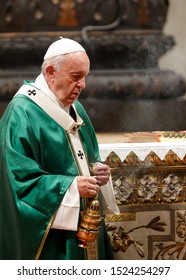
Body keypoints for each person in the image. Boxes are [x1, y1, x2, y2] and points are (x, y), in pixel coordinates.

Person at [0, 37, 119, 260]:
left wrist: (98, 171)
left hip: (85, 227)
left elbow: (88, 158)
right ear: (51, 72)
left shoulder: (77, 109)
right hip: (52, 240)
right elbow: (18, 183)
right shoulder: (22, 113)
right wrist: (71, 187)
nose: (82, 85)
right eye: (76, 77)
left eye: (85, 77)